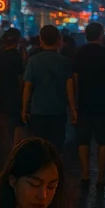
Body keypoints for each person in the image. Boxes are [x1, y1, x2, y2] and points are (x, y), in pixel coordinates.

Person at [72, 22, 105, 186]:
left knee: (83, 141)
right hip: (103, 104)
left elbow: (75, 80)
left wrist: (74, 105)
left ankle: (85, 174)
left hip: (84, 103)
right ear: (100, 34)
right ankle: (101, 176)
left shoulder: (79, 53)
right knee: (103, 141)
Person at [22, 26, 74, 154]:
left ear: (41, 40)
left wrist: (24, 108)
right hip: (58, 111)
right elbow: (69, 87)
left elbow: (28, 86)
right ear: (58, 40)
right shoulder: (64, 62)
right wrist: (73, 108)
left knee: (40, 147)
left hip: (38, 111)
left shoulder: (33, 61)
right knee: (56, 145)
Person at [0, 29, 24, 166]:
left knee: (4, 125)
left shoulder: (0, 55)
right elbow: (20, 78)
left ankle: (5, 154)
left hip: (1, 94)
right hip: (14, 95)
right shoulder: (17, 56)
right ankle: (14, 152)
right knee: (16, 124)